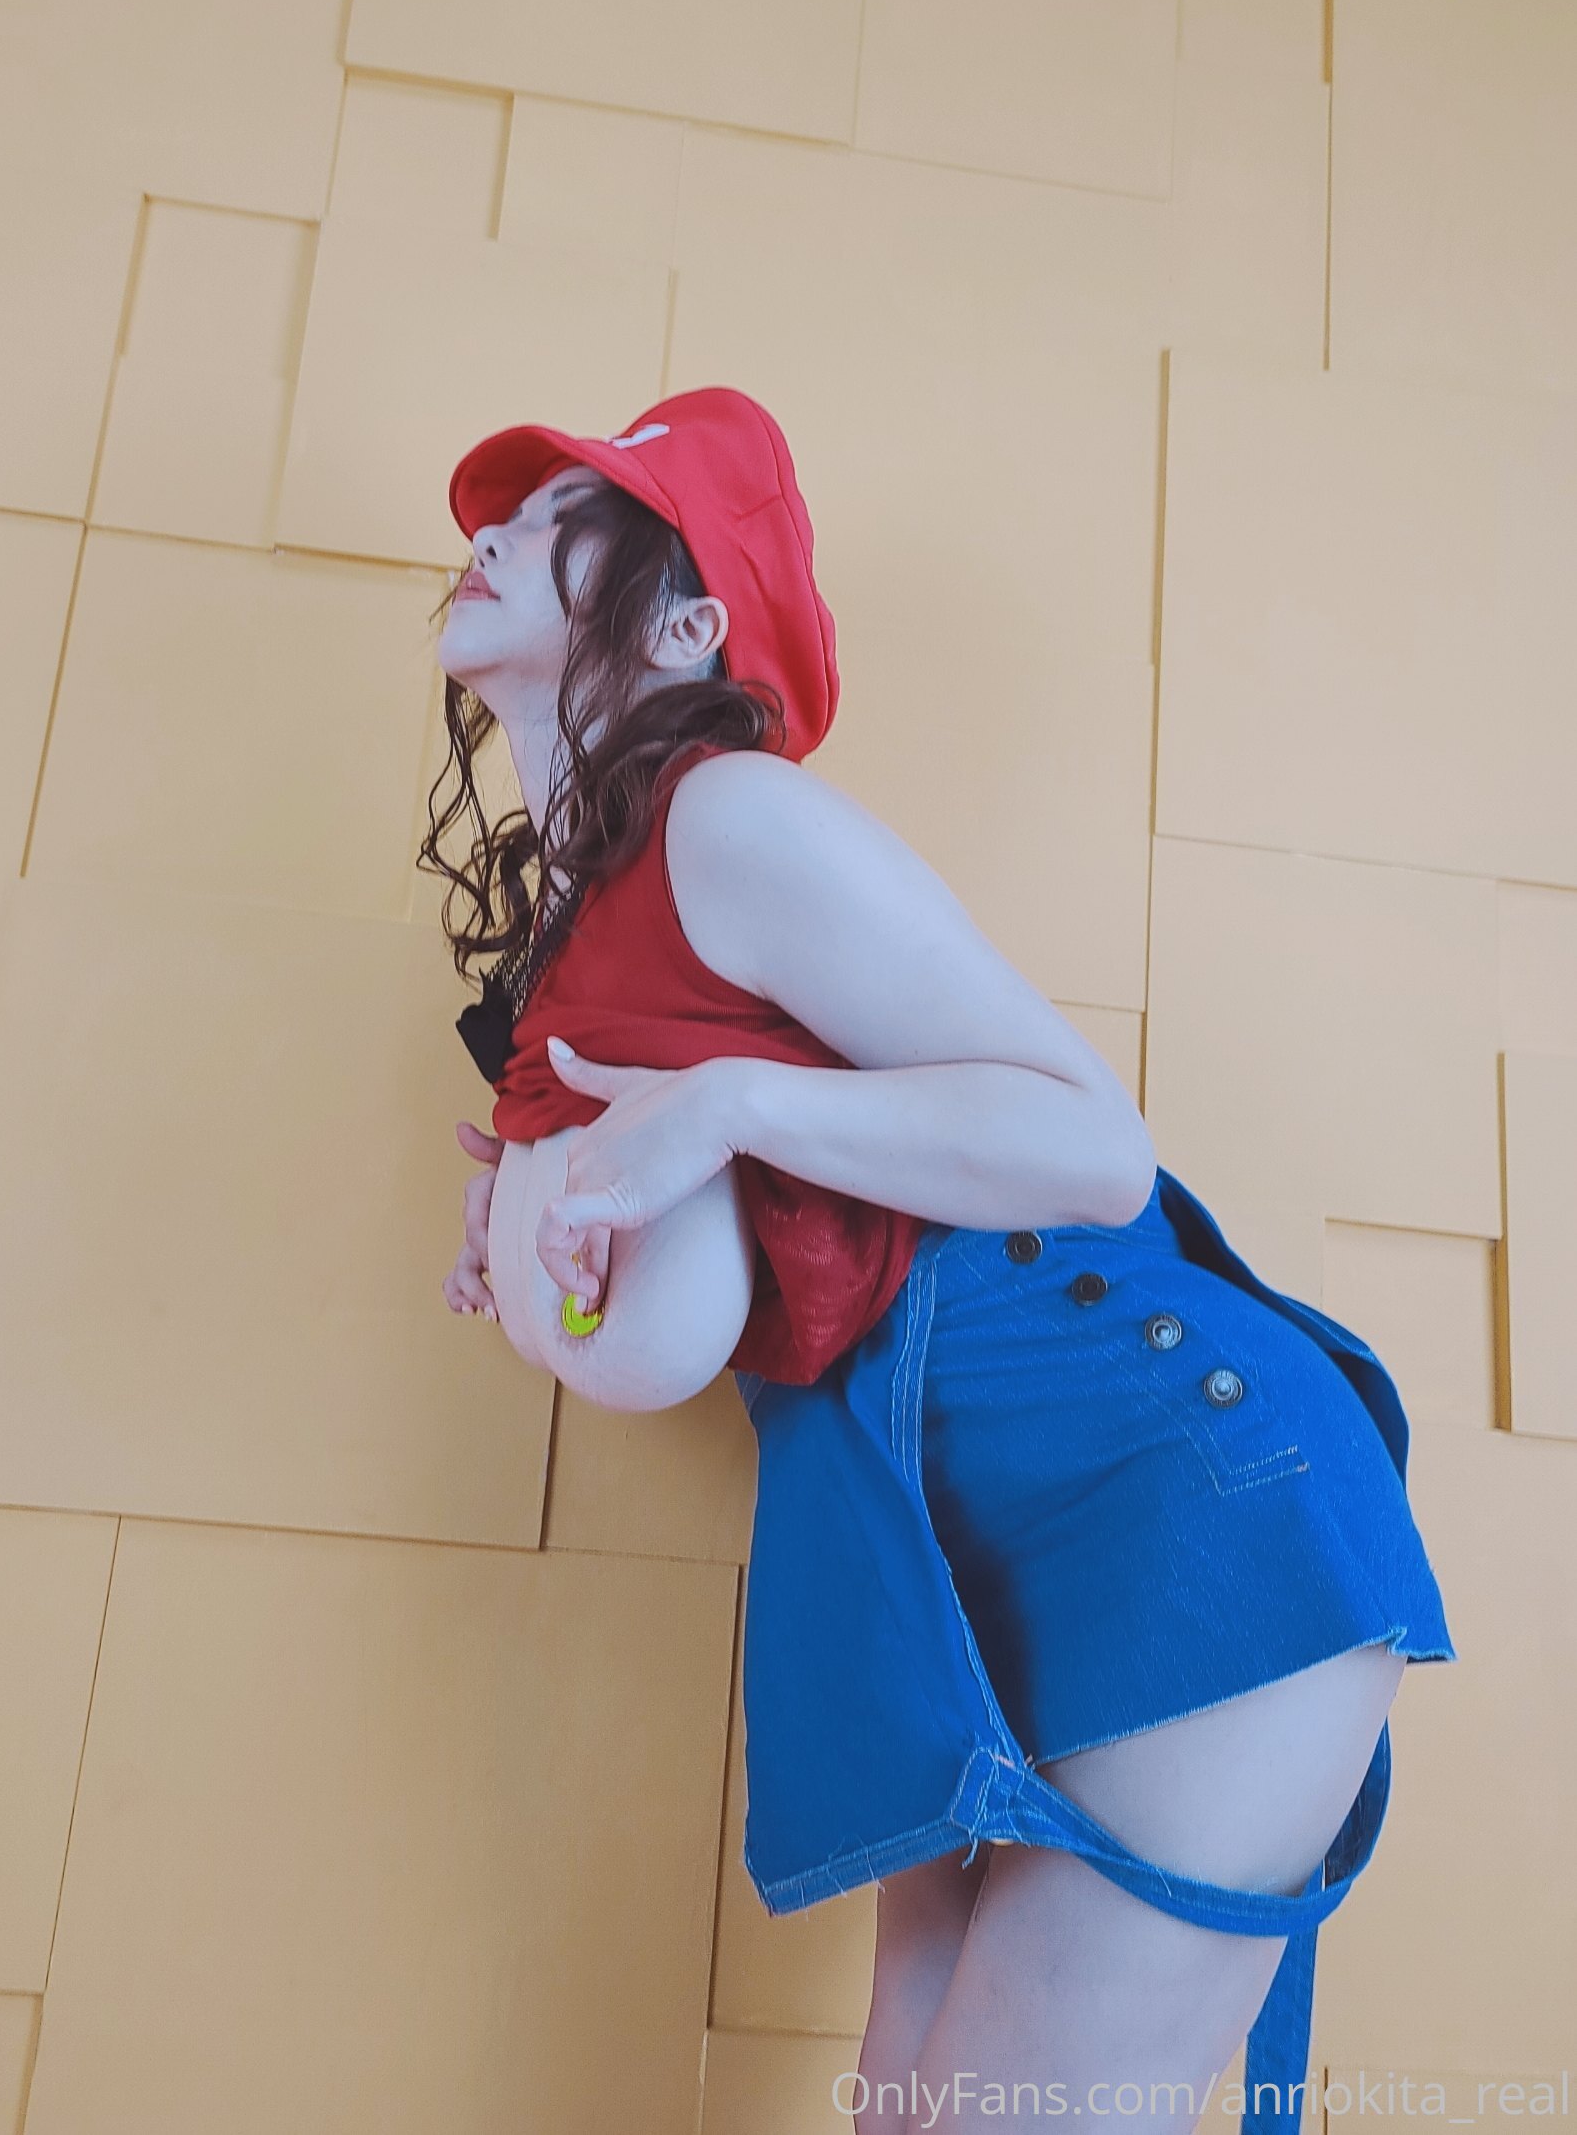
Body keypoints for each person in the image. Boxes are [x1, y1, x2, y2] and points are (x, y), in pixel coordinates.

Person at [419, 385, 1457, 2135]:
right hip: (952, 1559)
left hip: (1187, 1505)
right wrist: (544, 1200)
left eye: (570, 517)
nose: (498, 533)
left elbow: (1092, 1146)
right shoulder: (591, 928)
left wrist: (718, 1110)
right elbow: (702, 1287)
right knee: (905, 2116)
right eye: (503, 513)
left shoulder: (728, 819)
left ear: (684, 627)